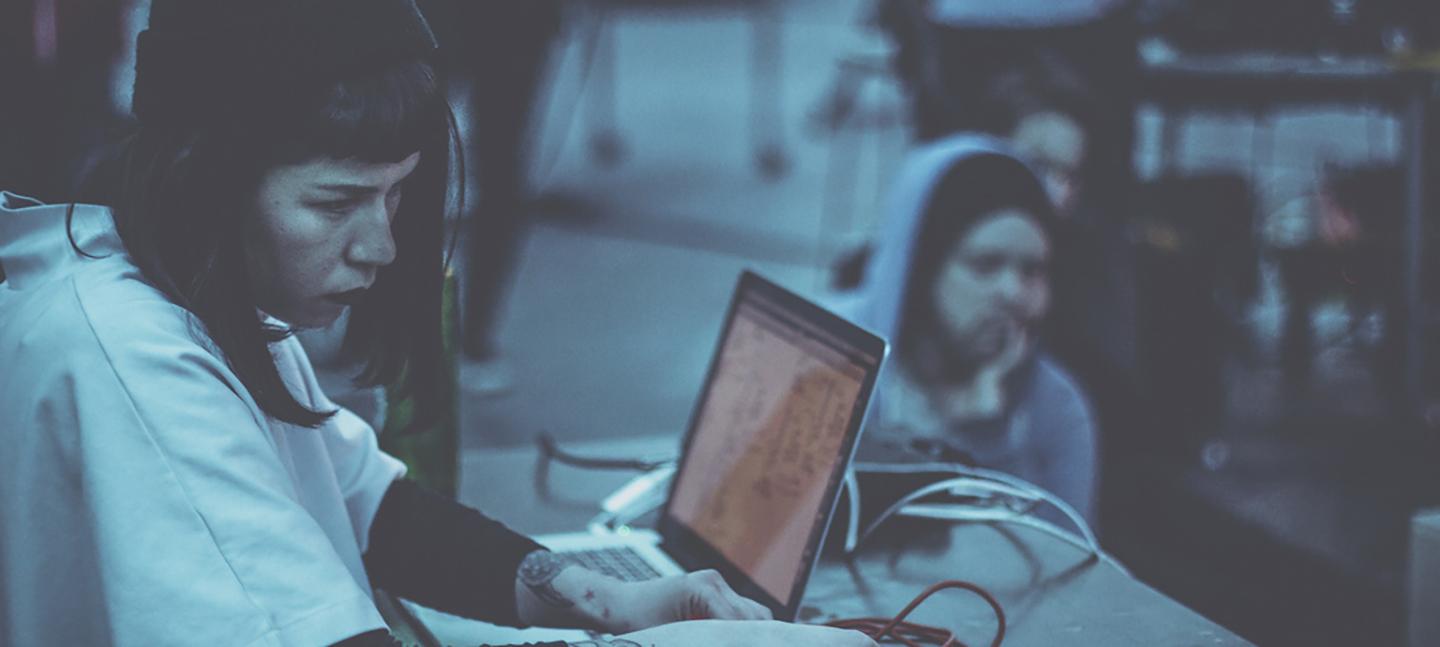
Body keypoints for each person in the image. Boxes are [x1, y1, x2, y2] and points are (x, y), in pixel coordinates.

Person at [0, 1, 876, 646]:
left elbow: (371, 502)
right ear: (206, 178)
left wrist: (615, 600)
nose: (380, 246)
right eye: (335, 201)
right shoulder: (131, 354)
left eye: (398, 195)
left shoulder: (194, 281)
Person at [851, 134, 1099, 525]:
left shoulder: (1056, 408)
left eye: (1032, 271)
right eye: (985, 265)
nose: (1014, 294)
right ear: (923, 269)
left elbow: (1064, 572)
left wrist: (991, 434)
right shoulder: (838, 360)